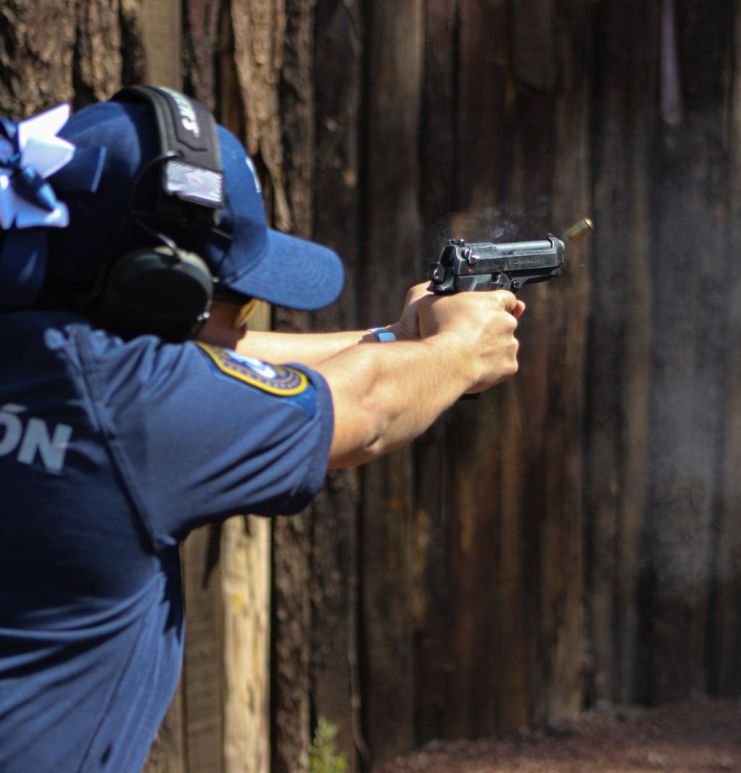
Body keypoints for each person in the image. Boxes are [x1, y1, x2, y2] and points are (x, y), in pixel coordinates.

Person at [0, 87, 524, 770]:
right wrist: (457, 353)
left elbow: (202, 362)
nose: (251, 317)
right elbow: (364, 415)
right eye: (239, 299)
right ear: (155, 289)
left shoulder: (54, 348)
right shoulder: (132, 412)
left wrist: (392, 339)